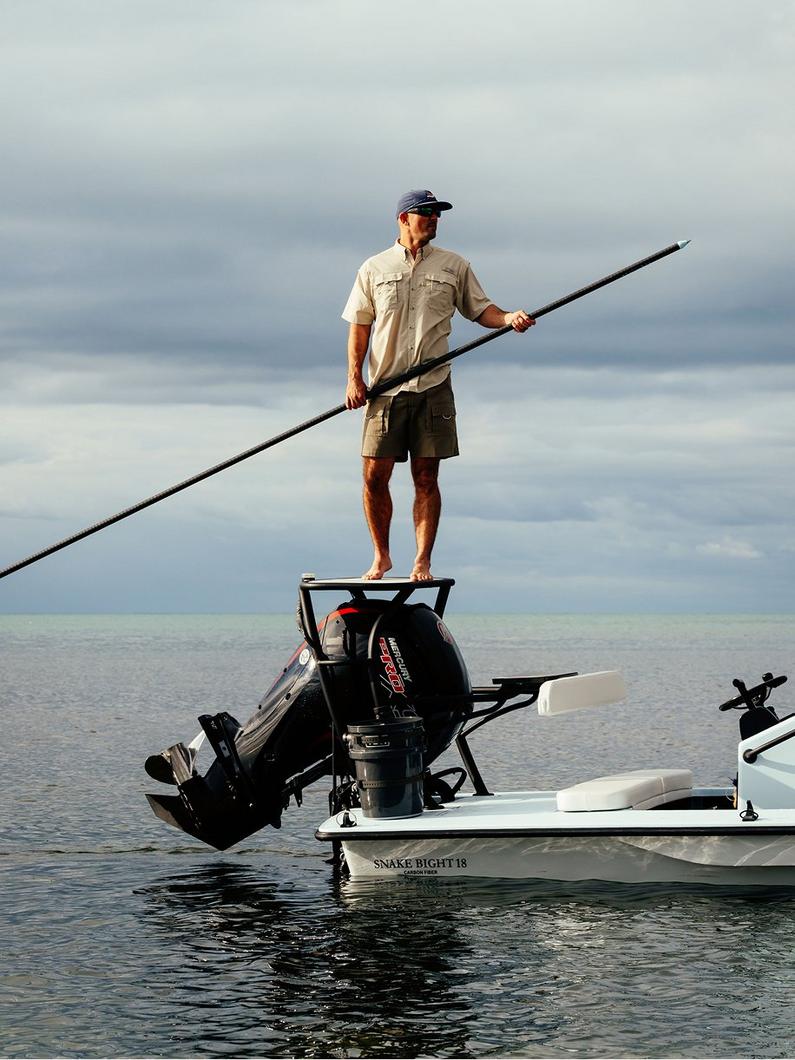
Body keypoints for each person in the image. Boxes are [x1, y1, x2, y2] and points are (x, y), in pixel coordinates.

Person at [343, 189, 534, 582]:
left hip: (434, 385)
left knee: (426, 477)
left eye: (437, 214)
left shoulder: (454, 266)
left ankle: (421, 561)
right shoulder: (373, 268)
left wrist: (509, 317)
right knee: (373, 477)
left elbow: (482, 310)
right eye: (425, 213)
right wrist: (353, 378)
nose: (434, 219)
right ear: (403, 219)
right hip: (384, 389)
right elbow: (360, 326)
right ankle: (381, 558)